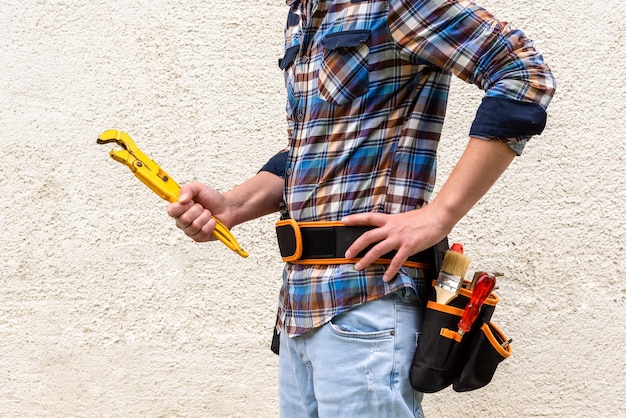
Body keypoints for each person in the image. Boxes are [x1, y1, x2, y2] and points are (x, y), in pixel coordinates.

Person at [167, 0, 556, 416]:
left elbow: (523, 72)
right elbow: (314, 145)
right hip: (300, 307)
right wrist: (232, 205)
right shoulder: (304, 14)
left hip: (366, 302)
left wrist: (440, 215)